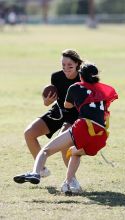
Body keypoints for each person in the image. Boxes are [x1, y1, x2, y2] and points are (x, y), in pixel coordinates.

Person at [13, 63, 118, 194]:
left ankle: (35, 173)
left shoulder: (75, 87)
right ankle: (68, 184)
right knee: (74, 152)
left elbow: (67, 106)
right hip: (101, 134)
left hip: (84, 126)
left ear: (80, 75)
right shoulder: (102, 91)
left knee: (46, 150)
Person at [23, 49, 83, 188]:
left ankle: (72, 180)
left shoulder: (83, 79)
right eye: (63, 64)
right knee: (29, 133)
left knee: (64, 143)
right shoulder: (56, 77)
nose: (66, 68)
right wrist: (46, 102)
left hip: (75, 117)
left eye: (70, 65)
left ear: (77, 64)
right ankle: (41, 169)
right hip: (58, 112)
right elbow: (50, 101)